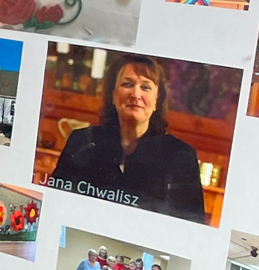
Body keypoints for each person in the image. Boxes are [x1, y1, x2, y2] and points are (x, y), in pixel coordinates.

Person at [49, 55, 207, 222]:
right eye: (127, 84)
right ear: (113, 95)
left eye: (146, 87)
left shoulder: (181, 156)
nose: (135, 94)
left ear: (156, 102)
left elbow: (190, 228)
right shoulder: (81, 142)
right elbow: (55, 206)